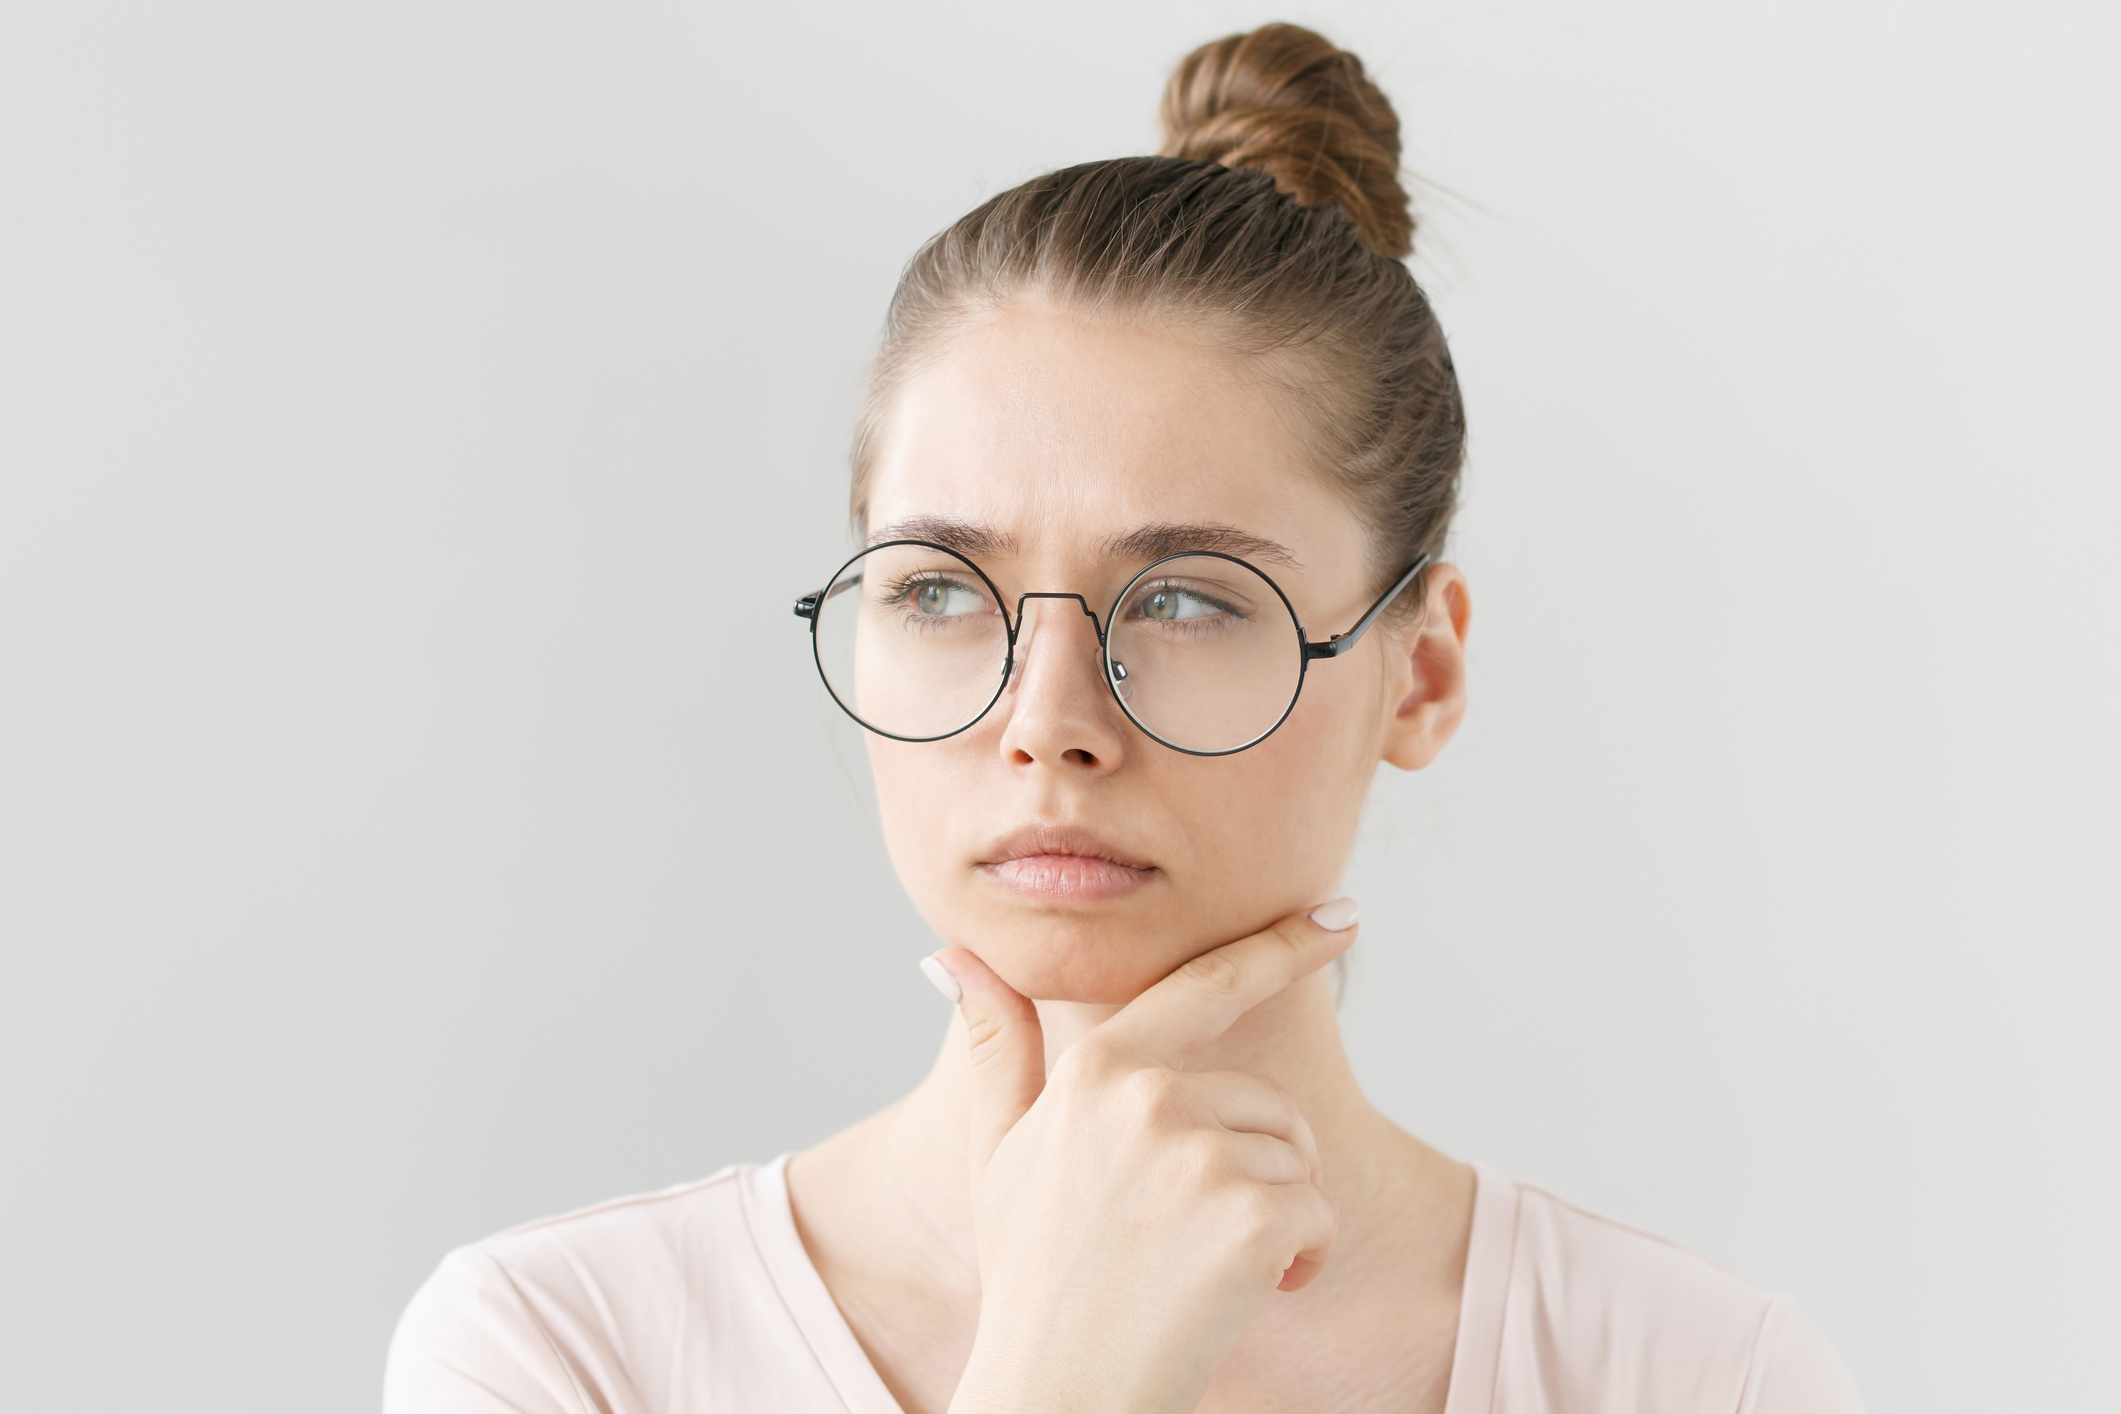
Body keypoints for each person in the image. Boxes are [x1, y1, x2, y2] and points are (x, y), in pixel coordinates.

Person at [384, 23, 1865, 1414]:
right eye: (940, 591)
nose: (1045, 724)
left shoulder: (1694, 1375)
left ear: (1417, 673)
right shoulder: (562, 1349)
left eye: (1182, 601)